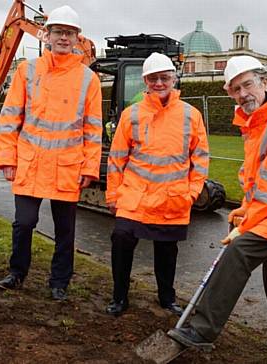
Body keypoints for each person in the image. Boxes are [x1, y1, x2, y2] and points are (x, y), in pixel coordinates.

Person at [168, 55, 267, 363]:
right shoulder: (257, 118)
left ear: (264, 82)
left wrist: (248, 222)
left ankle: (201, 330)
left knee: (240, 251)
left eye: (248, 85)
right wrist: (246, 209)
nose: (243, 94)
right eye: (235, 89)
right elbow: (260, 177)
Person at [0, 5, 102, 302]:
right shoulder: (27, 71)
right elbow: (10, 117)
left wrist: (90, 168)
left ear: (77, 38)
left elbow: (93, 128)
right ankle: (17, 273)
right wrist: (6, 158)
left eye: (69, 33)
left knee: (65, 230)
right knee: (24, 222)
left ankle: (59, 282)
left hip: (67, 167)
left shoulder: (87, 79)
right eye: (58, 32)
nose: (64, 37)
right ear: (47, 35)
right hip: (30, 164)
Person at [104, 52, 210, 317]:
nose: (159, 83)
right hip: (135, 197)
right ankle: (119, 297)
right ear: (145, 82)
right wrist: (113, 195)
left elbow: (200, 159)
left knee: (167, 251)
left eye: (164, 78)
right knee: (121, 239)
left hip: (172, 198)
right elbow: (117, 159)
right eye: (154, 79)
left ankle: (167, 298)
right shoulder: (132, 115)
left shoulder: (190, 115)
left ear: (174, 79)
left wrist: (193, 192)